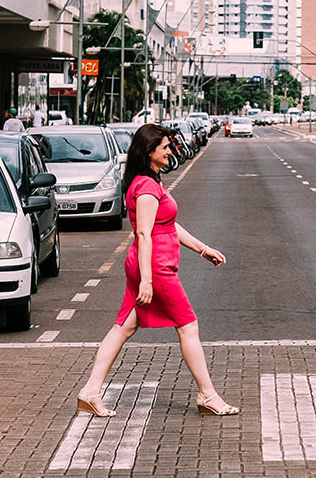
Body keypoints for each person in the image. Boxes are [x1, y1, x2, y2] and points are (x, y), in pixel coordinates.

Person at [75, 123, 238, 418]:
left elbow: (168, 225)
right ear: (149, 152)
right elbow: (144, 235)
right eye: (164, 147)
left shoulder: (148, 181)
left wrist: (203, 249)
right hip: (156, 267)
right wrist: (147, 281)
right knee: (188, 326)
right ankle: (208, 395)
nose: (170, 151)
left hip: (148, 264)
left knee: (124, 326)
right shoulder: (148, 187)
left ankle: (90, 392)